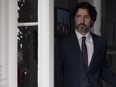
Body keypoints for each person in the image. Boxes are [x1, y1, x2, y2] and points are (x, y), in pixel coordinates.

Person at [55, 1, 116, 87]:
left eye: (86, 17)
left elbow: (103, 71)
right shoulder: (63, 43)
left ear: (92, 21)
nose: (82, 21)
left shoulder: (100, 43)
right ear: (74, 19)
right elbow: (57, 73)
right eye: (78, 16)